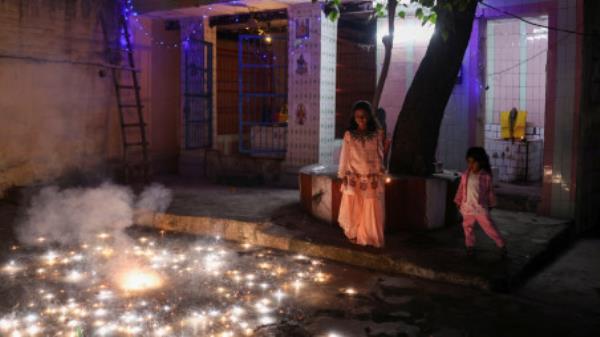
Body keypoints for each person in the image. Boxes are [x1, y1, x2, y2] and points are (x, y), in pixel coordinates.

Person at [337, 101, 386, 248]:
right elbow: (344, 155)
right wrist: (342, 173)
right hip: (353, 176)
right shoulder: (349, 135)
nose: (361, 120)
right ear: (354, 118)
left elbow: (380, 154)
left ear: (370, 117)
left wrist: (380, 171)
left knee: (370, 206)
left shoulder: (377, 134)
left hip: (371, 177)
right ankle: (354, 232)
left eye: (364, 116)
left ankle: (369, 236)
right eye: (358, 117)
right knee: (354, 205)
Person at [454, 147, 507, 258]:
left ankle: (501, 244)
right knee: (467, 228)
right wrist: (458, 201)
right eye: (469, 162)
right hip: (467, 208)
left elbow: (490, 192)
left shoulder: (485, 177)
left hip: (480, 209)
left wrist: (491, 204)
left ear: (481, 162)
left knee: (489, 227)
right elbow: (461, 189)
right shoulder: (465, 175)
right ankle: (470, 246)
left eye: (474, 162)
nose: (470, 165)